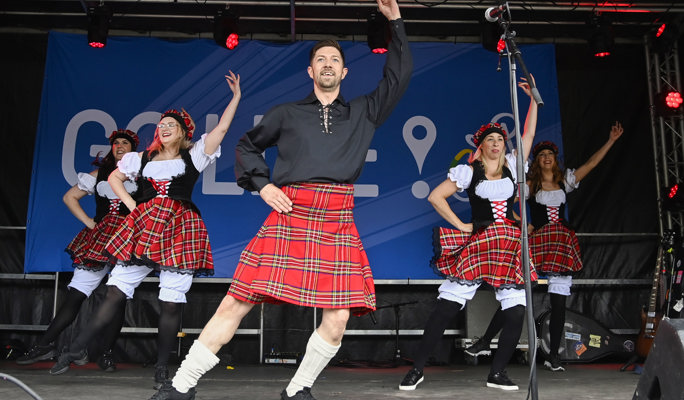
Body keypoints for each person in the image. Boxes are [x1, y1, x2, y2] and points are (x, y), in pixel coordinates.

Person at [149, 1, 412, 399]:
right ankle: (181, 387)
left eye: (334, 59)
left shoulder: (364, 111)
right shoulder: (286, 113)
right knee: (236, 302)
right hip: (290, 212)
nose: (326, 63)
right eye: (320, 59)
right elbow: (247, 146)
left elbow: (399, 74)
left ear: (344, 72)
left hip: (337, 218)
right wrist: (264, 186)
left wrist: (395, 22)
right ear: (310, 71)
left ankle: (298, 389)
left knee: (338, 317)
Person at [50, 71, 242, 385]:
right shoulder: (141, 158)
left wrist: (235, 97)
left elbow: (221, 128)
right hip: (145, 226)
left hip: (179, 227)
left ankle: (162, 367)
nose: (164, 129)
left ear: (182, 133)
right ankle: (73, 351)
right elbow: (113, 178)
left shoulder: (194, 156)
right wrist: (132, 204)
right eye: (161, 125)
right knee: (114, 291)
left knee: (170, 301)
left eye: (171, 126)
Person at [399, 77, 538, 392]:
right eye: (489, 139)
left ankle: (497, 372)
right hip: (481, 242)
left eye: (499, 139)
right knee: (446, 308)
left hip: (508, 244)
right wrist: (462, 226)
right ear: (482, 145)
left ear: (504, 145)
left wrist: (532, 101)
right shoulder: (469, 171)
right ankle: (417, 369)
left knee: (515, 312)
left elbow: (528, 134)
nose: (495, 143)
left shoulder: (514, 167)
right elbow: (436, 196)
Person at [463, 121, 624, 372]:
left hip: (560, 243)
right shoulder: (529, 186)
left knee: (558, 303)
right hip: (537, 242)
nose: (546, 158)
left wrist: (612, 141)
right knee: (517, 298)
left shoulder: (565, 181)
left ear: (555, 158)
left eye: (550, 154)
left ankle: (554, 356)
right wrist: (520, 223)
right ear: (536, 161)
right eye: (541, 155)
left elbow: (590, 165)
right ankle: (485, 340)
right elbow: (504, 202)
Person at [16, 129, 140, 372]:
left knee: (117, 299)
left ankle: (106, 354)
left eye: (125, 143)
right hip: (100, 240)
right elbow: (70, 197)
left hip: (126, 240)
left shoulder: (141, 175)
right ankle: (43, 345)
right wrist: (91, 223)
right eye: (116, 143)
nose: (120, 146)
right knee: (76, 294)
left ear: (133, 149)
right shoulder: (99, 175)